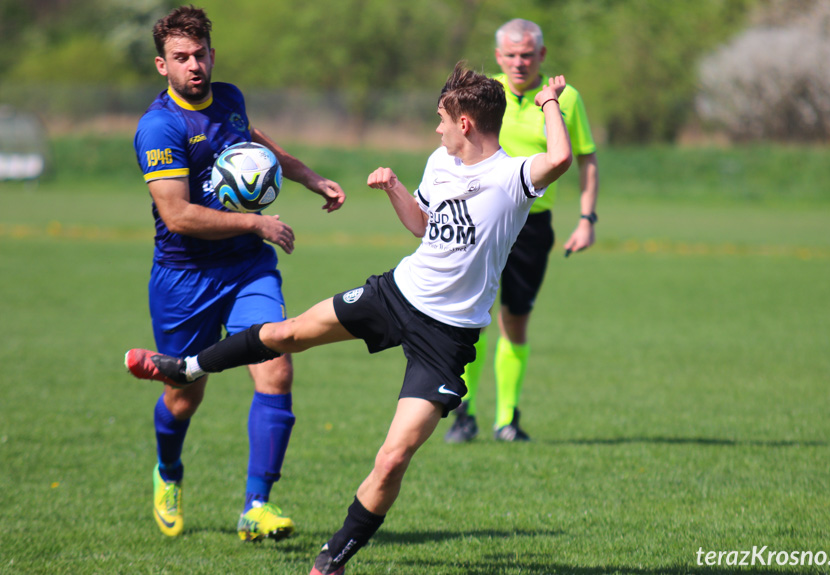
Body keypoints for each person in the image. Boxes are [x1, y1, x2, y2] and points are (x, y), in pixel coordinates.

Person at [126, 63, 572, 574]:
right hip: (396, 294)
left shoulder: (511, 176)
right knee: (289, 333)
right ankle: (187, 368)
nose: (436, 128)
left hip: (447, 338)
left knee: (392, 459)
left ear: (466, 123)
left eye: (441, 119)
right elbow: (425, 228)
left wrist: (548, 101)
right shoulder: (439, 161)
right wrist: (394, 189)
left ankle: (331, 560)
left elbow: (559, 157)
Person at [131, 5, 345, 541]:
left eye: (200, 54)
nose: (194, 65)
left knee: (275, 364)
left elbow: (260, 147)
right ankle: (169, 471)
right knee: (184, 393)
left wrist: (309, 177)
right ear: (163, 66)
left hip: (247, 267)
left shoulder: (228, 97)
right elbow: (176, 214)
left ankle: (257, 506)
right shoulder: (160, 126)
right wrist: (256, 220)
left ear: (212, 53)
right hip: (186, 278)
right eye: (181, 58)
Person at [444, 18, 599, 443]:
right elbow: (453, 149)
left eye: (527, 54)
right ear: (498, 57)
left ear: (542, 56)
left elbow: (585, 158)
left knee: (515, 320)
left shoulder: (564, 99)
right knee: (472, 319)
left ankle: (506, 420)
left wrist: (587, 219)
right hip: (482, 219)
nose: (519, 62)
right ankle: (463, 413)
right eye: (510, 55)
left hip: (531, 227)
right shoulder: (482, 95)